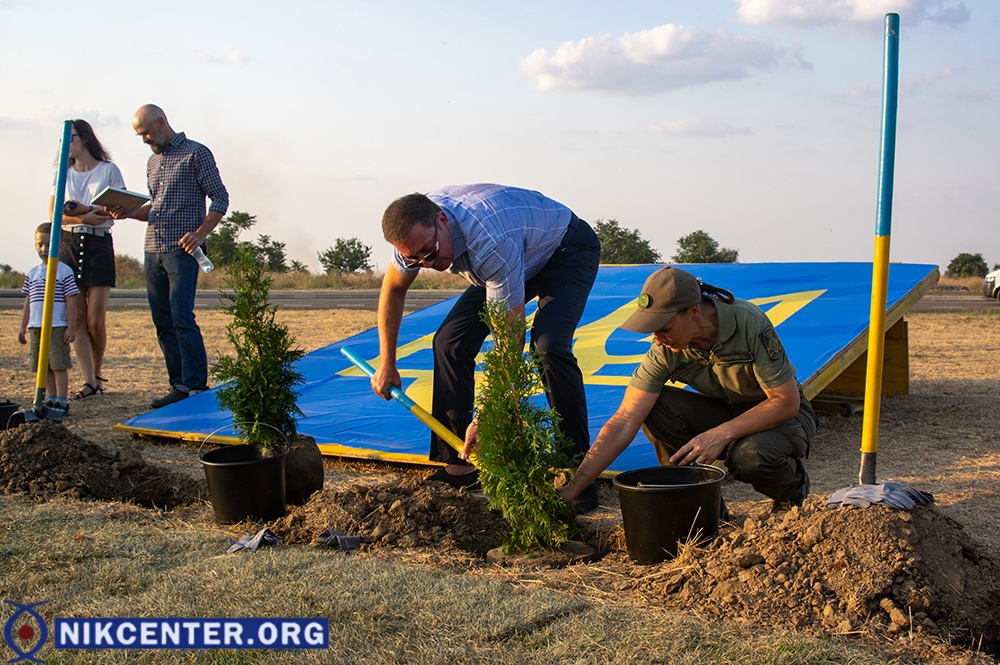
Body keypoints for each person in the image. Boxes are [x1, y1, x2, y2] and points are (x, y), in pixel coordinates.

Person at [372, 184, 601, 512]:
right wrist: (387, 363)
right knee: (449, 341)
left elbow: (509, 338)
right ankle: (460, 465)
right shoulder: (413, 238)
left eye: (431, 251)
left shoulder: (489, 240)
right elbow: (393, 291)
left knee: (549, 347)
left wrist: (486, 413)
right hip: (516, 255)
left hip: (564, 249)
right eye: (416, 259)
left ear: (442, 220)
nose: (428, 263)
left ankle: (577, 474)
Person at [559, 266, 816, 514]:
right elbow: (625, 420)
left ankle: (791, 494)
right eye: (653, 330)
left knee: (749, 456)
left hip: (780, 417)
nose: (657, 339)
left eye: (665, 328)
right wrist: (575, 487)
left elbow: (785, 401)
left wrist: (721, 434)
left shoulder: (747, 321)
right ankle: (701, 507)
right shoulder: (664, 349)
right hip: (724, 411)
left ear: (694, 312)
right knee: (655, 406)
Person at [108, 104, 228, 408]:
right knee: (162, 320)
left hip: (182, 251)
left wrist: (201, 233)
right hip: (152, 248)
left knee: (181, 315)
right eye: (140, 136)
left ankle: (195, 385)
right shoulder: (152, 162)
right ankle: (178, 384)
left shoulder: (196, 153)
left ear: (162, 122)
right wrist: (129, 214)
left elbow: (220, 199)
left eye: (146, 133)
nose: (145, 140)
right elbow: (155, 208)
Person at [48, 119, 127, 400]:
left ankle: (97, 373)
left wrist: (82, 209)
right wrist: (83, 214)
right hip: (70, 241)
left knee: (96, 320)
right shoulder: (63, 174)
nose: (66, 145)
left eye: (71, 138)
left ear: (84, 139)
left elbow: (117, 209)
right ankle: (90, 381)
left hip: (99, 243)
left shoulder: (108, 170)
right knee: (77, 317)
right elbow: (55, 213)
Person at [19, 223, 79, 412]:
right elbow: (29, 301)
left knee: (58, 364)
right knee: (43, 366)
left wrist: (71, 326)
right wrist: (23, 326)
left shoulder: (64, 271)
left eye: (48, 245)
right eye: (40, 245)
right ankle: (50, 398)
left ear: (60, 247)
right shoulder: (32, 273)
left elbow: (71, 300)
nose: (44, 249)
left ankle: (61, 399)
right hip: (36, 326)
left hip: (56, 325)